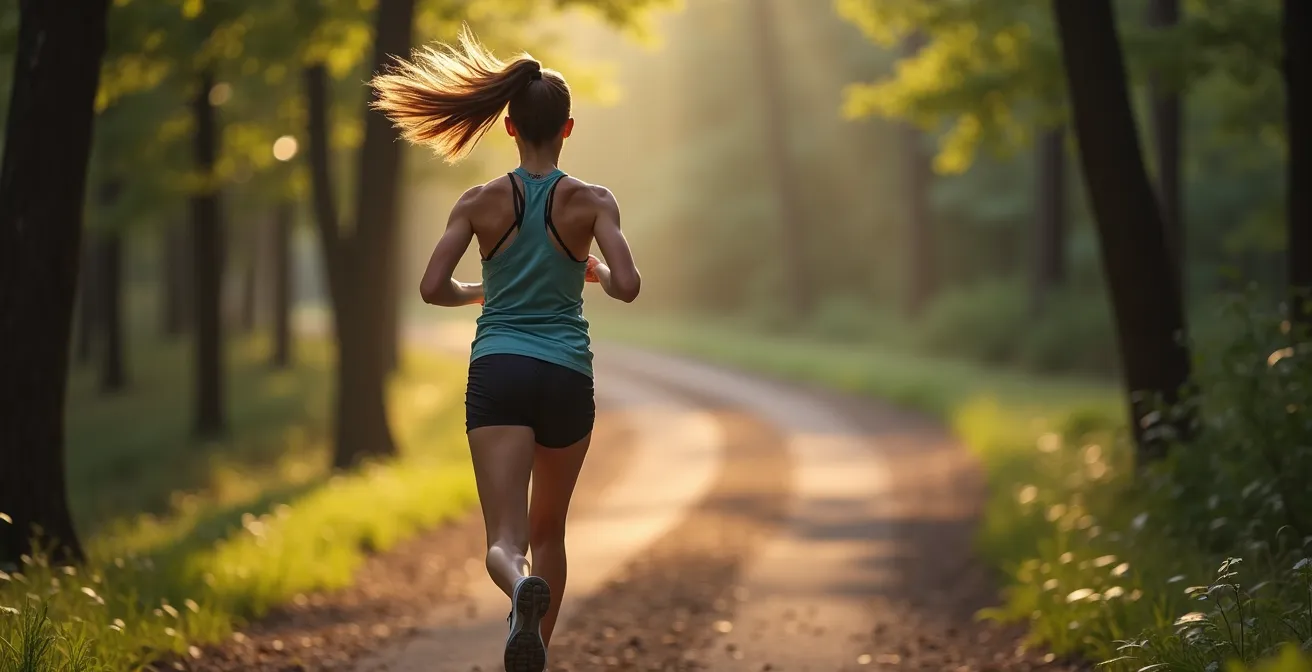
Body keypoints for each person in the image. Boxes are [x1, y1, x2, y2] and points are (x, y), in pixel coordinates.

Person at [369, 27, 642, 672]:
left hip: (500, 372)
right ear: (568, 129)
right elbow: (628, 286)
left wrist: (478, 292)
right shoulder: (593, 202)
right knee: (551, 532)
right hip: (567, 376)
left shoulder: (479, 202)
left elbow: (432, 288)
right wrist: (597, 270)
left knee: (506, 540)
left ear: (510, 127)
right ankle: (536, 647)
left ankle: (519, 588)